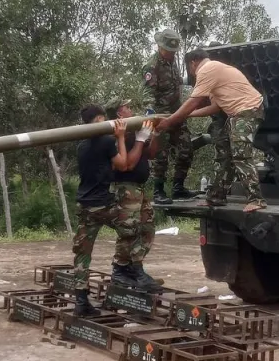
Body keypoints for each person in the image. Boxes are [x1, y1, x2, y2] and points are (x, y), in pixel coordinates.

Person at [155, 49, 267, 213]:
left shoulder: (207, 69)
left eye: (189, 66)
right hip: (237, 113)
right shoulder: (215, 71)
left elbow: (194, 101)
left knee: (240, 154)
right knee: (224, 154)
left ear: (193, 62)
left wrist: (171, 120)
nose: (191, 71)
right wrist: (188, 115)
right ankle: (216, 197)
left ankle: (256, 199)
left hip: (248, 110)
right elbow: (215, 107)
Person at [70, 105, 155, 317]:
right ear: (100, 118)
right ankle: (132, 271)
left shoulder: (82, 145)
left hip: (84, 205)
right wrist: (122, 138)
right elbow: (123, 164)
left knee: (82, 254)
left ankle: (81, 302)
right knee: (132, 227)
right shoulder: (107, 141)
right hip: (103, 205)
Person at [106, 99, 161, 292]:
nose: (131, 110)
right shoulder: (116, 135)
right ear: (120, 114)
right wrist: (139, 139)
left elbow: (151, 154)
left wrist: (154, 134)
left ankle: (133, 268)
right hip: (125, 187)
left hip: (138, 188)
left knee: (147, 228)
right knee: (129, 231)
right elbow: (127, 164)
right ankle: (122, 270)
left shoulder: (135, 131)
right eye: (128, 107)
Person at [143, 29, 194, 205]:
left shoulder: (173, 62)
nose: (171, 54)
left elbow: (177, 84)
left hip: (176, 114)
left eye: (173, 51)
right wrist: (150, 118)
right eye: (167, 50)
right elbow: (147, 94)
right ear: (159, 46)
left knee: (186, 148)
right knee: (161, 155)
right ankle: (158, 191)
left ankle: (178, 188)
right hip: (160, 116)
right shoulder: (152, 65)